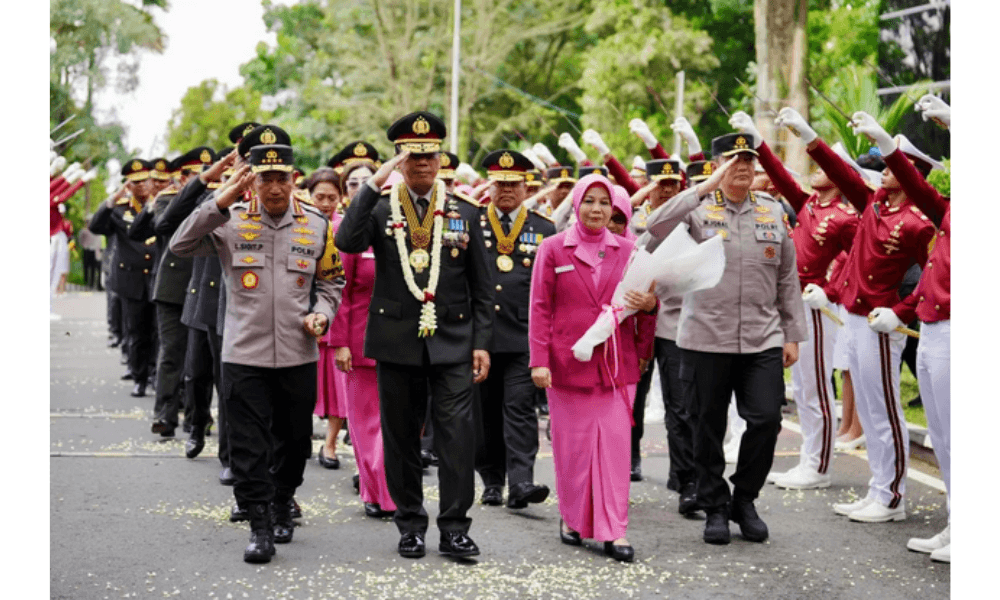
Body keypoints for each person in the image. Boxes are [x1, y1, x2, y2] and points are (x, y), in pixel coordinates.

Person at [171, 141, 345, 564]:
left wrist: (322, 314)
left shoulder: (318, 225)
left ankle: (284, 498)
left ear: (293, 179)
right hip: (243, 354)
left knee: (294, 441)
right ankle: (260, 526)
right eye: (264, 178)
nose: (273, 187)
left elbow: (331, 283)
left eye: (281, 178)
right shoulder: (229, 221)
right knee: (249, 447)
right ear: (254, 181)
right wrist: (221, 197)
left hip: (297, 353)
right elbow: (179, 242)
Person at [335, 111, 494, 560]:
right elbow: (347, 241)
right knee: (401, 437)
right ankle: (410, 525)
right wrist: (373, 182)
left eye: (429, 157)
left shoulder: (465, 211)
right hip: (396, 338)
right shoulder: (382, 207)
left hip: (455, 340)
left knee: (457, 437)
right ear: (400, 162)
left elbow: (482, 287)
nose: (422, 165)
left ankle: (455, 527)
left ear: (441, 159)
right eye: (412, 158)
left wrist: (482, 342)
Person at [644, 133, 808, 545]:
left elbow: (787, 277)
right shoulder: (698, 211)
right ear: (718, 166)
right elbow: (655, 223)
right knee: (706, 426)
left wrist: (792, 333)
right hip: (704, 338)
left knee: (767, 419)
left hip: (762, 337)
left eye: (749, 161)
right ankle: (715, 506)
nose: (743, 167)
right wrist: (702, 187)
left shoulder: (772, 213)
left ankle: (745, 499)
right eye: (734, 160)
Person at [786, 108, 938, 524]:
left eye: (892, 166)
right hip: (854, 317)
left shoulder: (919, 222)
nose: (882, 172)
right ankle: (877, 487)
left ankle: (892, 496)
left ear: (912, 174)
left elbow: (932, 278)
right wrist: (810, 138)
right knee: (870, 411)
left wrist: (900, 311)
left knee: (885, 407)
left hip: (880, 322)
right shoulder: (874, 204)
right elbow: (848, 176)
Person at [729, 111, 863, 490]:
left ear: (839, 176)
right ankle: (810, 457)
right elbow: (782, 177)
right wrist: (756, 138)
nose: (814, 171)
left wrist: (831, 292)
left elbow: (856, 261)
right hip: (788, 301)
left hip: (814, 304)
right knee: (802, 387)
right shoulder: (810, 207)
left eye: (824, 167)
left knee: (816, 386)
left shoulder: (844, 217)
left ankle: (818, 467)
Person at [529, 173, 657, 563]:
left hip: (617, 367)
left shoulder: (630, 250)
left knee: (615, 450)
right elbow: (539, 308)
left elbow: (646, 308)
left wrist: (650, 309)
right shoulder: (553, 249)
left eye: (605, 203)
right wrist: (539, 361)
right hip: (567, 365)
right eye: (590, 201)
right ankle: (572, 519)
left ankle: (614, 530)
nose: (597, 209)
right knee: (573, 450)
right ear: (577, 205)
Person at [473, 149, 556, 510]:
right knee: (485, 411)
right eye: (500, 183)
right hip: (482, 336)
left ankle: (521, 481)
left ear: (527, 187)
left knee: (520, 408)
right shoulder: (471, 222)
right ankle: (492, 480)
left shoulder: (544, 227)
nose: (507, 190)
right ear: (490, 186)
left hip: (524, 334)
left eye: (514, 184)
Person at [902, 94, 951, 564]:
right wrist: (893, 153)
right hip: (934, 322)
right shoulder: (950, 208)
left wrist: (955, 123)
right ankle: (957, 517)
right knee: (941, 432)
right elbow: (922, 195)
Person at [89, 159, 159, 398]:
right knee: (136, 331)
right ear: (128, 185)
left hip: (157, 277)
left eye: (145, 181)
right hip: (131, 280)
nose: (141, 187)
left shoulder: (161, 204)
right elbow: (96, 227)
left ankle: (154, 373)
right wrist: (111, 199)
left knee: (157, 330)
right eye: (135, 183)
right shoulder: (119, 208)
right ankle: (139, 377)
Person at [307, 167, 349, 469]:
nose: (325, 203)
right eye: (319, 197)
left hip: (338, 315)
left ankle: (330, 443)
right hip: (304, 316)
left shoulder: (346, 228)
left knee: (338, 388)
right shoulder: (300, 225)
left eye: (331, 198)